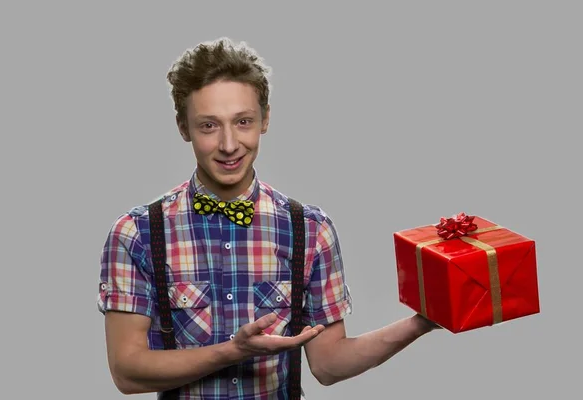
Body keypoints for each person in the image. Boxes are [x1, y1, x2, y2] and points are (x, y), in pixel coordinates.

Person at [96, 37, 439, 399]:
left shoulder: (309, 229)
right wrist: (233, 352)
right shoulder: (137, 233)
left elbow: (328, 364)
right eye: (209, 126)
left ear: (265, 119)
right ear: (183, 128)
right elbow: (127, 373)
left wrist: (421, 323)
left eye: (243, 122)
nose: (229, 144)